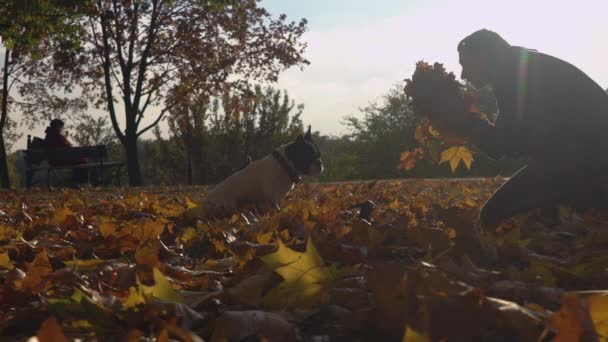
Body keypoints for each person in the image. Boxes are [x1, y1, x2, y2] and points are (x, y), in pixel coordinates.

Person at [435, 29, 608, 230]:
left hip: (585, 161)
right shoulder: (519, 65)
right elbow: (511, 140)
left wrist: (465, 121)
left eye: (465, 64)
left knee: (492, 217)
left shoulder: (512, 73)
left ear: (483, 56)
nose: (463, 74)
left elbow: (505, 144)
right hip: (583, 158)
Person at [44, 119, 89, 185]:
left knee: (80, 161)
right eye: (60, 127)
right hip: (61, 160)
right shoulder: (58, 136)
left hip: (52, 161)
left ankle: (76, 183)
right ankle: (79, 183)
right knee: (83, 161)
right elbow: (68, 148)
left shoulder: (47, 136)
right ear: (57, 126)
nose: (61, 129)